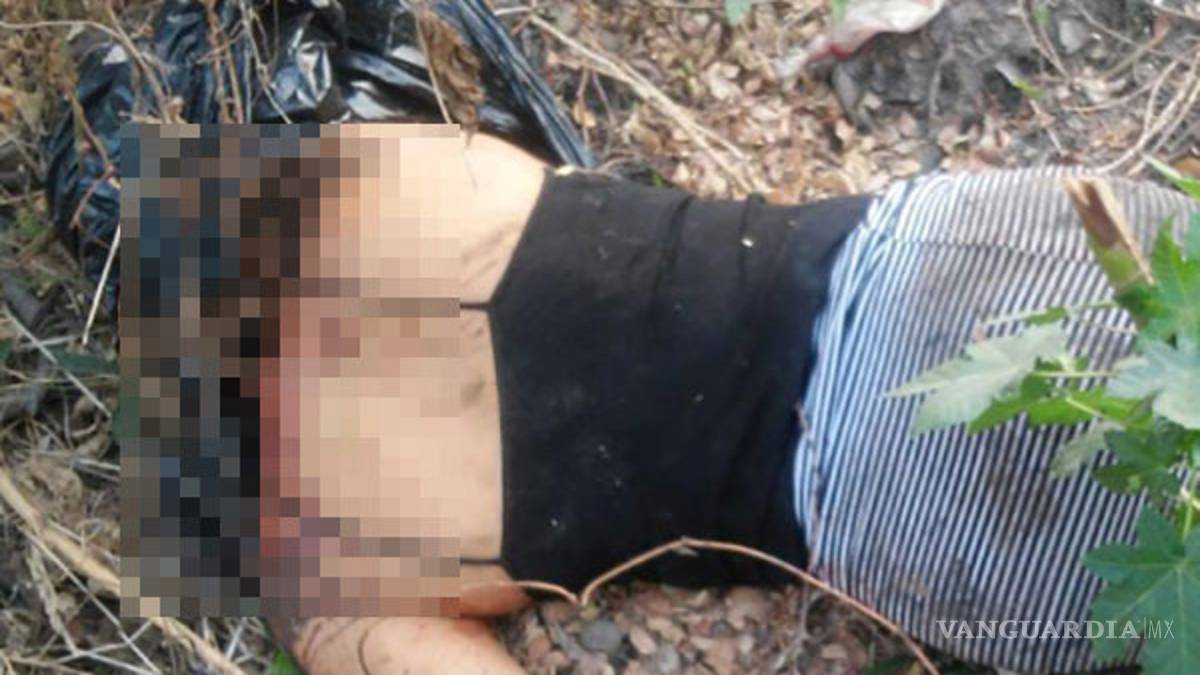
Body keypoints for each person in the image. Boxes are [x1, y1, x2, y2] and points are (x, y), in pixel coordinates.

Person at [119, 125, 1193, 674]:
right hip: (958, 250)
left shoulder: (306, 562)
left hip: (901, 491)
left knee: (1149, 591)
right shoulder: (370, 173)